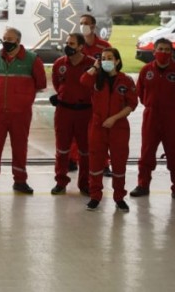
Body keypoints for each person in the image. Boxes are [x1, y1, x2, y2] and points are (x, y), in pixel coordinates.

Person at [0, 27, 46, 194]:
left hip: (20, 113)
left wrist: (22, 98)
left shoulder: (32, 59)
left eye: (10, 39)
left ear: (18, 41)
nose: (6, 41)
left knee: (20, 146)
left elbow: (41, 83)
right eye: (4, 38)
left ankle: (20, 180)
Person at [131, 38, 175, 202]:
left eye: (167, 50)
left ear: (171, 52)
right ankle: (143, 185)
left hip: (173, 117)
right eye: (161, 49)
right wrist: (152, 105)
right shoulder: (146, 70)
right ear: (154, 51)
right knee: (147, 152)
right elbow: (141, 93)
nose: (164, 52)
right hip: (151, 115)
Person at [80, 48, 137, 212]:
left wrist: (114, 118)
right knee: (96, 163)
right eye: (103, 58)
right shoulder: (96, 79)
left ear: (117, 61)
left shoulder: (125, 80)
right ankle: (95, 197)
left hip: (118, 127)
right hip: (97, 127)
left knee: (119, 164)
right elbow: (83, 81)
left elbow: (132, 104)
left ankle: (119, 197)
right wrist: (95, 67)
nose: (106, 60)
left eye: (109, 58)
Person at [49, 33, 95, 196]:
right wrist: (64, 95)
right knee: (62, 149)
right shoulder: (59, 64)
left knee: (85, 150)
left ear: (81, 47)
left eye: (72, 43)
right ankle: (60, 181)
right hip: (64, 111)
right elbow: (57, 83)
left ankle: (84, 183)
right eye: (67, 43)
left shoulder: (92, 64)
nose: (68, 46)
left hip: (85, 112)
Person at [76, 14, 112, 175]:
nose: (83, 26)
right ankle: (73, 159)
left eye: (86, 23)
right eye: (81, 23)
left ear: (93, 26)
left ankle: (104, 164)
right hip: (79, 95)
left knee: (100, 133)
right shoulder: (76, 45)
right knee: (76, 131)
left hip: (97, 96)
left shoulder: (104, 46)